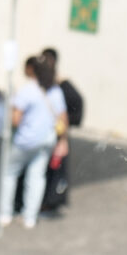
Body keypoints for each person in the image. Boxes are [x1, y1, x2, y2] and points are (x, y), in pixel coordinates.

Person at [0, 55, 68, 229]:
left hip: (26, 141)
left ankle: (5, 214)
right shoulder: (56, 91)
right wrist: (63, 141)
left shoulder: (28, 90)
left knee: (9, 173)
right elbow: (62, 117)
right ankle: (30, 217)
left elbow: (15, 119)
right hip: (47, 140)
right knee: (36, 177)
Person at [38, 47, 82, 215]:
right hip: (54, 134)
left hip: (58, 135)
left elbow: (71, 109)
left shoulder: (60, 86)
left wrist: (64, 133)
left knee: (56, 171)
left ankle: (51, 203)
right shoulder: (50, 84)